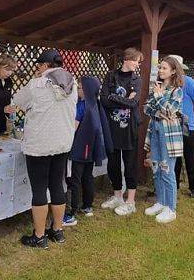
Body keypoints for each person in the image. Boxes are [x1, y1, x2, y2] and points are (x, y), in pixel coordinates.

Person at [13, 49, 77, 249]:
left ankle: (39, 236)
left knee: (39, 188)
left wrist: (34, 79)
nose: (37, 69)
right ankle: (57, 231)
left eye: (38, 66)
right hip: (62, 143)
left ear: (44, 66)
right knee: (57, 185)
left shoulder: (37, 84)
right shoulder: (72, 84)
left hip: (39, 145)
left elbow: (17, 102)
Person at [64, 76, 112, 226]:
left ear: (85, 90)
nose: (77, 90)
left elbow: (74, 127)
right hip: (91, 148)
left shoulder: (82, 106)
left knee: (74, 179)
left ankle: (71, 211)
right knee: (87, 177)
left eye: (79, 88)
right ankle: (87, 206)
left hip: (79, 149)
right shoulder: (96, 105)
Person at [100, 47, 143, 216]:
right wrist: (124, 99)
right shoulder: (111, 76)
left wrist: (113, 97)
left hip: (129, 128)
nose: (137, 65)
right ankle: (117, 195)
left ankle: (130, 201)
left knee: (130, 163)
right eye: (136, 61)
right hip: (112, 127)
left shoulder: (137, 80)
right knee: (113, 163)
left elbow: (134, 103)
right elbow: (103, 100)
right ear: (127, 59)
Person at [143, 56, 184, 223]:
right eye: (160, 68)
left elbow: (169, 112)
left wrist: (159, 99)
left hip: (169, 135)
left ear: (173, 71)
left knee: (167, 170)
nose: (160, 71)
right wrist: (159, 103)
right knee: (156, 167)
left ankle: (171, 208)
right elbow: (147, 108)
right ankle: (160, 202)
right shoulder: (158, 88)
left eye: (164, 68)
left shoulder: (177, 91)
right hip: (155, 130)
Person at [167, 55, 194, 199]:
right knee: (173, 157)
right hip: (169, 124)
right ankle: (173, 185)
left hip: (186, 125)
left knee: (189, 156)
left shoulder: (189, 82)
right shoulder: (166, 83)